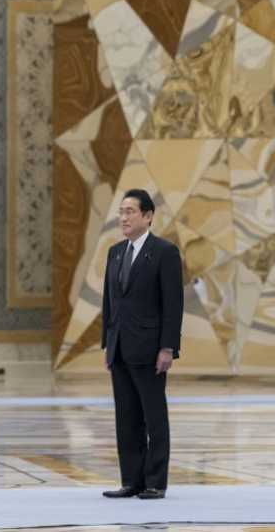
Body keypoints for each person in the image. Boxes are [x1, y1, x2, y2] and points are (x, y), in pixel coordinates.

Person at [100, 188, 183, 500]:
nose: (123, 218)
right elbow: (110, 303)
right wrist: (107, 344)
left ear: (148, 216)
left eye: (130, 211)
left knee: (153, 417)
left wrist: (167, 348)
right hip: (119, 347)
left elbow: (173, 305)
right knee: (126, 418)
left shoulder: (165, 252)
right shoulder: (115, 252)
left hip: (150, 350)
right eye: (121, 212)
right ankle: (131, 480)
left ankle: (154, 482)